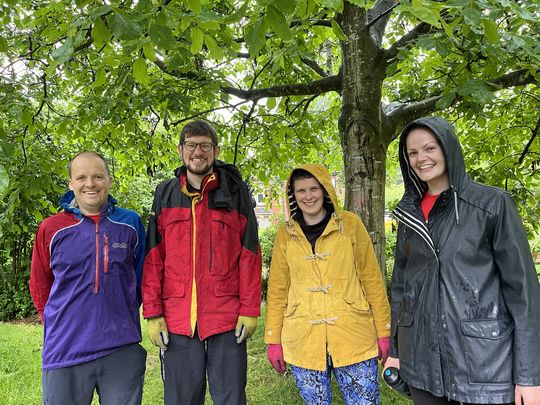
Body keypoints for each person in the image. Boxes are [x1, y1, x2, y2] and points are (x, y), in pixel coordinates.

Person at [385, 116, 540, 405]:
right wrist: (396, 350)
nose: (421, 159)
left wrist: (530, 376)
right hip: (422, 363)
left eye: (429, 148)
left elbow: (524, 294)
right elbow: (402, 288)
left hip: (484, 365)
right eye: (413, 153)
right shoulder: (409, 215)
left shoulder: (491, 204)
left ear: (448, 148)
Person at [142, 119, 262, 405]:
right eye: (192, 145)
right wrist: (153, 312)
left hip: (227, 318)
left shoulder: (236, 193)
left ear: (216, 150)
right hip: (178, 320)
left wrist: (249, 309)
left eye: (205, 146)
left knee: (231, 398)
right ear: (181, 150)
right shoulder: (165, 193)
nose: (198, 152)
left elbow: (250, 255)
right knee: (182, 399)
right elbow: (153, 257)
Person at [264, 164, 391, 405]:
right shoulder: (285, 234)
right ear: (293, 194)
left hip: (353, 333)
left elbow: (372, 279)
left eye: (314, 188)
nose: (308, 196)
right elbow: (278, 290)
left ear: (325, 190)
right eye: (301, 190)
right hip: (303, 337)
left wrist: (384, 331)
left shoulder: (351, 225)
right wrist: (273, 339)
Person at [29, 151, 147, 405]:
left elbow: (139, 280)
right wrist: (60, 322)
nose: (90, 184)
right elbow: (40, 285)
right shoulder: (51, 228)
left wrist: (118, 313)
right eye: (81, 177)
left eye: (97, 176)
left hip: (120, 348)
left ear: (109, 180)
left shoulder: (130, 224)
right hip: (65, 350)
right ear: (71, 184)